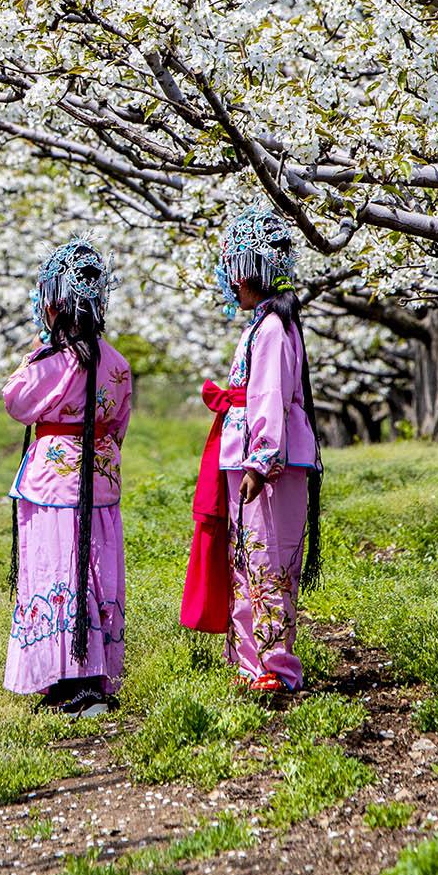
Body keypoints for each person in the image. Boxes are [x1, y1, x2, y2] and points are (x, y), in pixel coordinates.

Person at [180, 205, 322, 692]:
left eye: (235, 272)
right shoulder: (261, 326)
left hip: (265, 463)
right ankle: (249, 661)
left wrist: (261, 460)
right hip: (245, 457)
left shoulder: (273, 329)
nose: (231, 283)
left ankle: (274, 666)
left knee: (268, 561)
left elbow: (268, 396)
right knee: (246, 559)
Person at [2, 239, 134, 717]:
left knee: (57, 569)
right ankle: (94, 676)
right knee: (97, 569)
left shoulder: (50, 359)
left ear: (54, 302)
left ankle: (63, 677)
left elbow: (15, 402)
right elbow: (119, 423)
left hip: (52, 478)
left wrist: (39, 349)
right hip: (100, 475)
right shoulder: (115, 362)